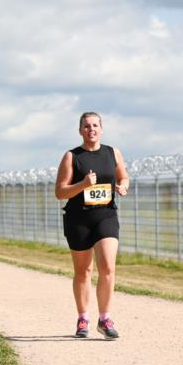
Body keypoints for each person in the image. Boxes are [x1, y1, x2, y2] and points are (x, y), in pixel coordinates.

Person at [55, 112, 129, 339]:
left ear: (101, 129)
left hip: (106, 215)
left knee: (107, 267)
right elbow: (60, 192)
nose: (91, 129)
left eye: (95, 125)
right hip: (78, 219)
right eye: (87, 126)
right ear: (80, 131)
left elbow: (124, 177)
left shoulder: (113, 153)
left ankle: (105, 319)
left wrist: (123, 186)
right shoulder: (72, 156)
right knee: (83, 271)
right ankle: (83, 318)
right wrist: (83, 184)